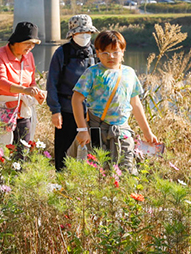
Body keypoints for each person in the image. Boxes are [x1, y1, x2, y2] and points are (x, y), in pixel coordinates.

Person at [72, 30, 159, 175]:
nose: (110, 56)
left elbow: (136, 104)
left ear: (123, 52)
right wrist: (82, 129)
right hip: (97, 130)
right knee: (96, 172)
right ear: (97, 52)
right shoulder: (92, 73)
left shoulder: (129, 73)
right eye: (105, 53)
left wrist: (147, 132)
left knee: (127, 171)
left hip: (122, 130)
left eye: (115, 52)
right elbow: (76, 99)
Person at [46, 15, 98, 170]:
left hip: (91, 112)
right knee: (64, 152)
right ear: (72, 34)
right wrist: (55, 111)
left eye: (88, 32)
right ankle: (61, 179)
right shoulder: (62, 53)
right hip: (67, 110)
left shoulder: (96, 52)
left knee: (92, 152)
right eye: (81, 33)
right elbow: (52, 83)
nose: (85, 36)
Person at [0, 21, 47, 149]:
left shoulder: (29, 56)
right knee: (0, 151)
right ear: (17, 40)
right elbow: (0, 81)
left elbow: (31, 82)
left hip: (22, 112)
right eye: (28, 43)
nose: (31, 47)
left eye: (33, 44)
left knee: (23, 150)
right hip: (3, 110)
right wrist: (25, 90)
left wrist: (36, 92)